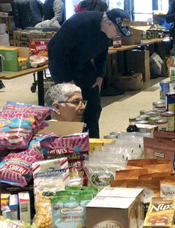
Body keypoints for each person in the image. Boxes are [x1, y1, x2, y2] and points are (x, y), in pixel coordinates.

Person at [47, 9, 132, 138]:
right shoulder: (79, 23)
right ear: (109, 23)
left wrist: (100, 75)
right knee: (71, 105)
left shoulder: (107, 32)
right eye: (118, 31)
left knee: (94, 105)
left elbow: (102, 53)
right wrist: (68, 80)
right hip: (61, 63)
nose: (118, 35)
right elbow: (57, 52)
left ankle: (92, 140)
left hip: (83, 63)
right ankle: (69, 139)